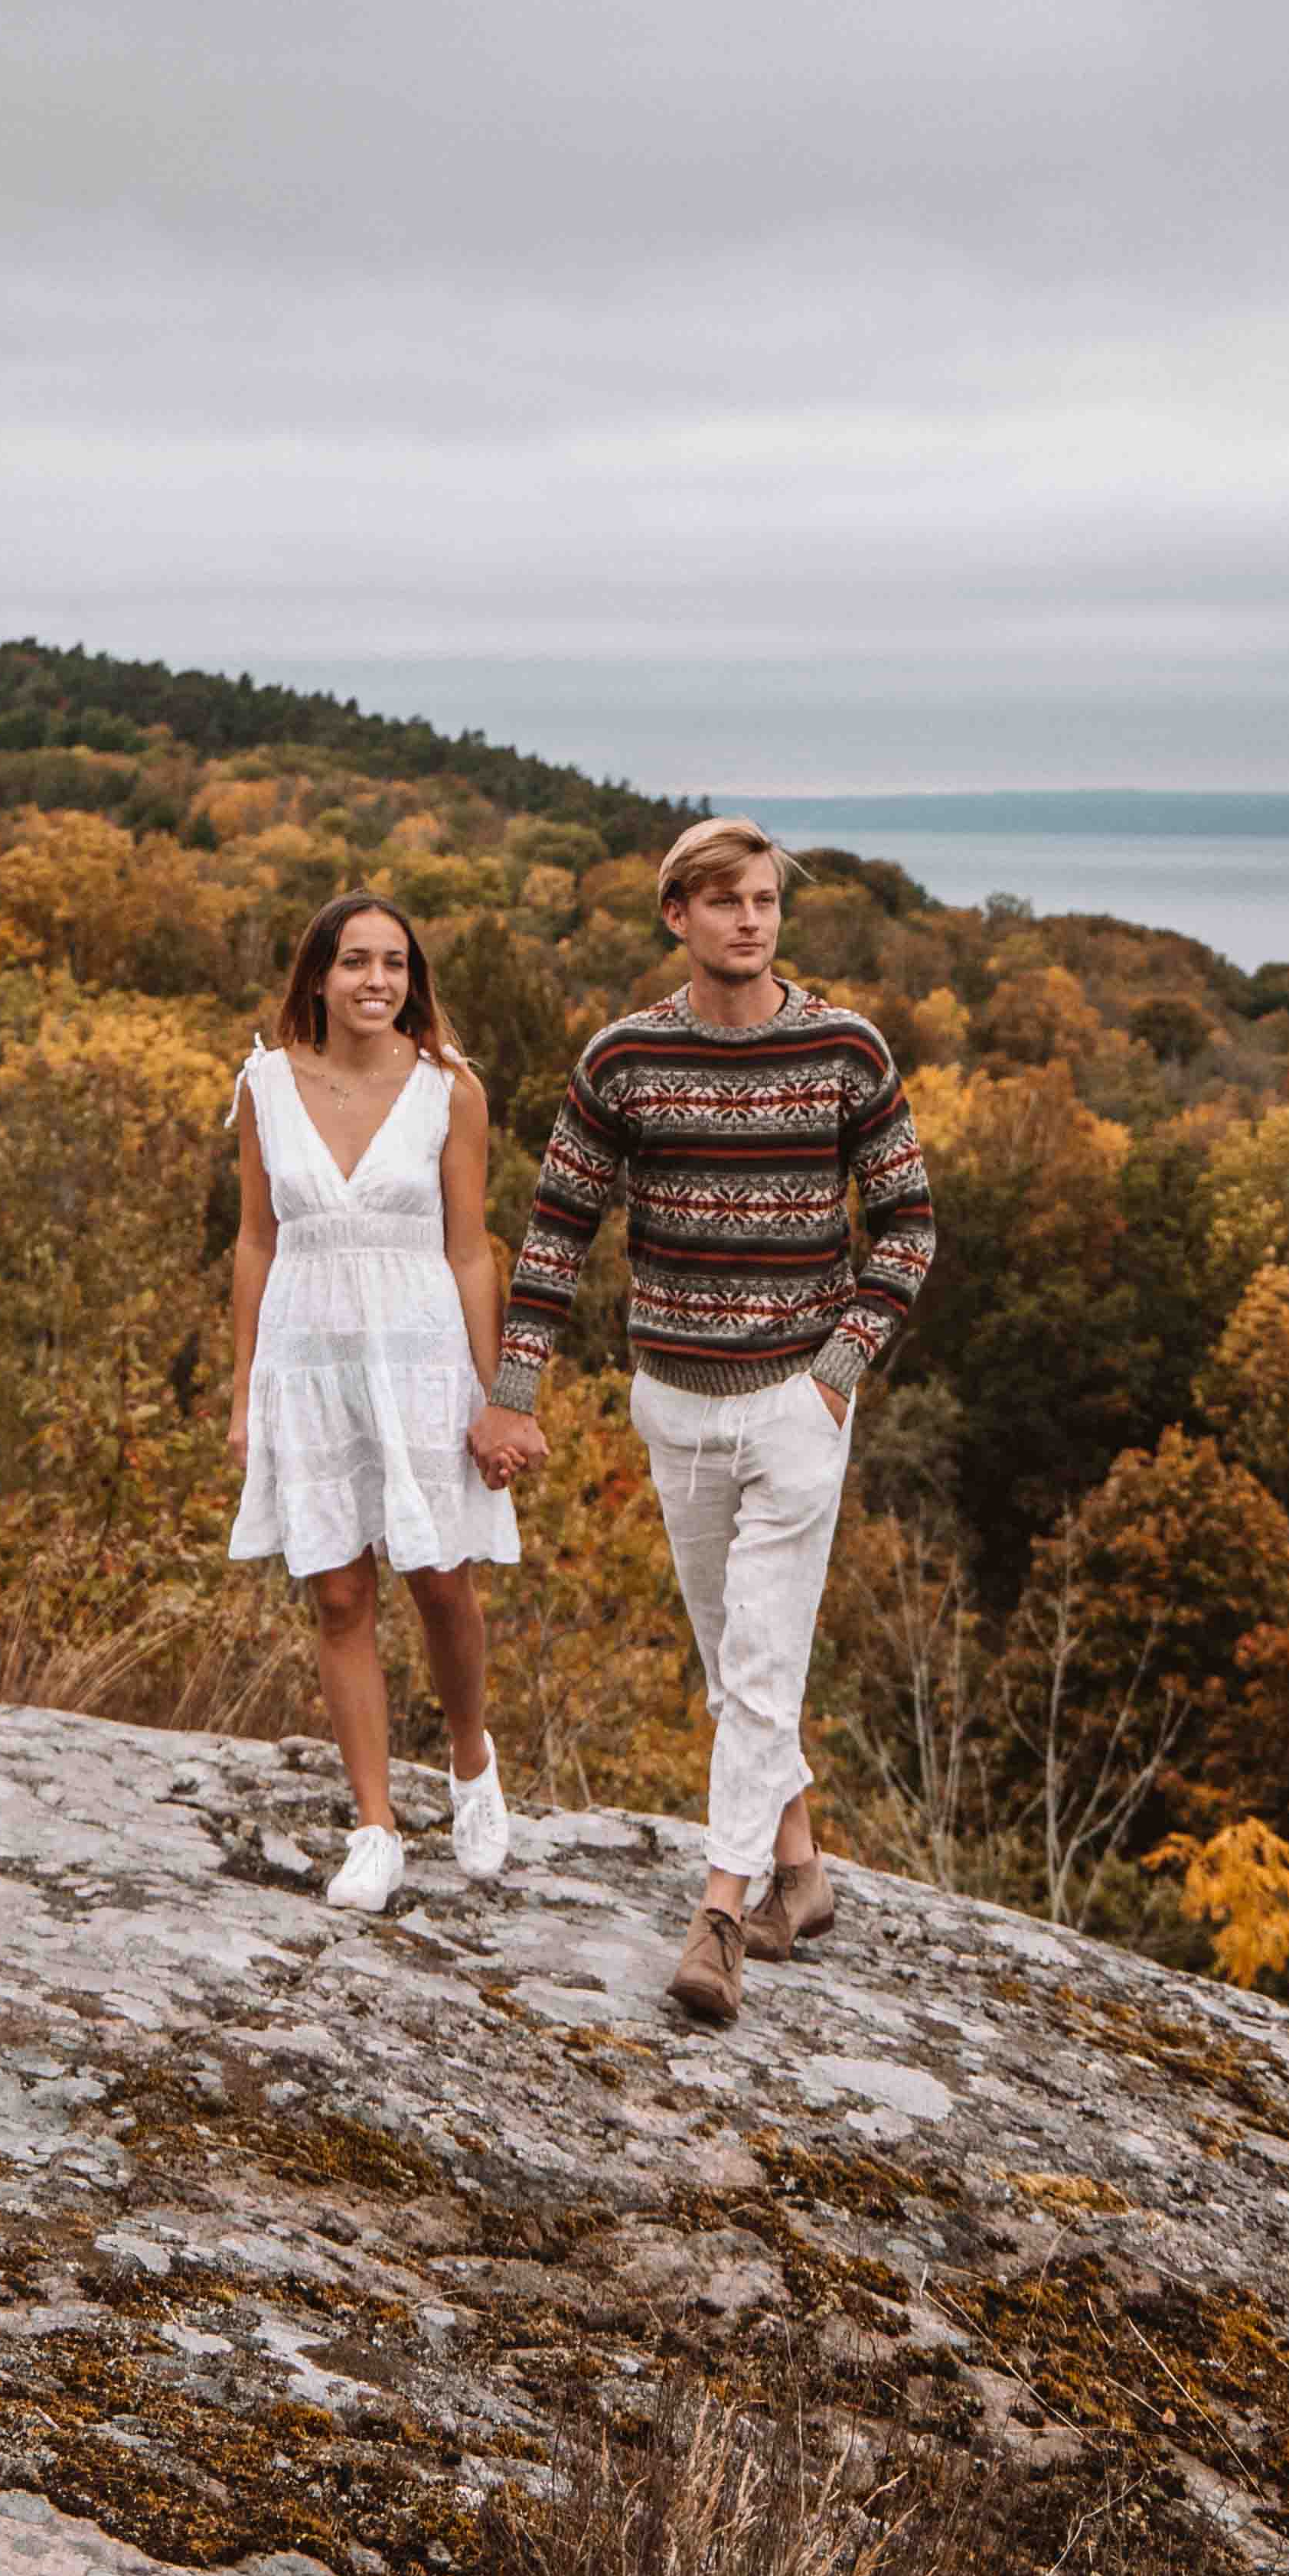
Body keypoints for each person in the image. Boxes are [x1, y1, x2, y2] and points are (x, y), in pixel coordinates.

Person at [490, 817, 935, 2026]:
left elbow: (907, 1223)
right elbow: (555, 1230)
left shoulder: (846, 1048)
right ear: (675, 914)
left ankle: (720, 1916)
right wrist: (514, 1390)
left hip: (797, 1402)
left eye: (766, 899)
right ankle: (804, 1867)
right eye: (725, 899)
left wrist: (840, 1365)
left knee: (759, 1656)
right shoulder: (622, 1059)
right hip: (672, 1400)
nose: (752, 918)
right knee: (731, 1658)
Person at [228, 889, 548, 1910]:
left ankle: (468, 1759)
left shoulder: (449, 1089)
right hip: (308, 1360)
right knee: (336, 1593)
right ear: (316, 976)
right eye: (357, 961)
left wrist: (501, 1397)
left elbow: (469, 1247)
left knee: (441, 1578)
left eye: (395, 964)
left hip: (419, 1357)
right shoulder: (265, 1086)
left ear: (413, 981)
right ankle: (375, 1825)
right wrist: (243, 1395)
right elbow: (254, 1242)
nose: (377, 980)